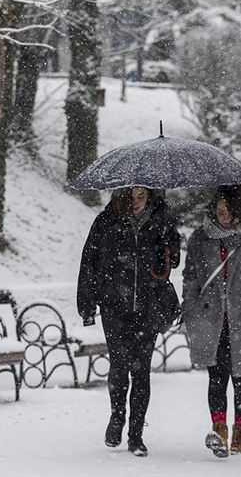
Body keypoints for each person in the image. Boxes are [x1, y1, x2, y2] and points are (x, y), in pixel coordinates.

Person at [77, 187, 181, 457]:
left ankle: (136, 434)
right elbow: (89, 261)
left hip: (149, 305)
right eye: (130, 197)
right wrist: (86, 304)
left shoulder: (162, 221)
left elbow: (175, 261)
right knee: (120, 365)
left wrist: (168, 239)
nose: (135, 203)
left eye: (141, 197)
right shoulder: (106, 220)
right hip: (115, 306)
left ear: (150, 197)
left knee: (142, 370)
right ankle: (117, 417)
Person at [180, 184, 241, 458]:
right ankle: (219, 430)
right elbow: (190, 279)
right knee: (216, 376)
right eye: (220, 211)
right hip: (210, 319)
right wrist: (190, 310)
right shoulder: (200, 238)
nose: (224, 217)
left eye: (230, 212)